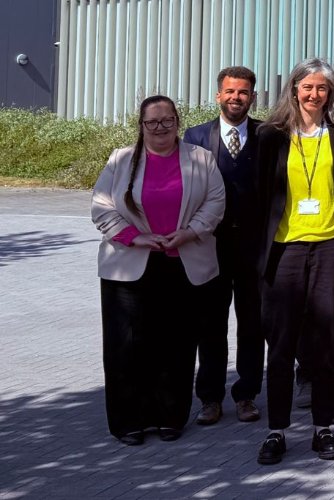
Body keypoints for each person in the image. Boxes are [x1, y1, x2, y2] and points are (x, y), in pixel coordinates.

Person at [94, 96, 226, 445]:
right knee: (126, 346)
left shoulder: (201, 159)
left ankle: (170, 416)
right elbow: (102, 207)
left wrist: (191, 231)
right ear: (141, 125)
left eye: (167, 120)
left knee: (177, 344)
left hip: (183, 261)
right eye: (152, 122)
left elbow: (216, 202)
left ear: (177, 121)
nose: (160, 127)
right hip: (130, 265)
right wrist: (135, 237)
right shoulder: (120, 160)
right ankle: (129, 422)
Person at [251, 58, 334, 465]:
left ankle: (322, 428)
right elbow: (260, 196)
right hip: (285, 249)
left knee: (325, 343)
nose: (314, 94)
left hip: (330, 247)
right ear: (294, 89)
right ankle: (277, 430)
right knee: (281, 344)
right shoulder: (270, 135)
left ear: (330, 92)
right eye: (308, 87)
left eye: (322, 87)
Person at [183, 66, 263, 426]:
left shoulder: (268, 135)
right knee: (210, 325)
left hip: (254, 249)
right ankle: (210, 398)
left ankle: (247, 395)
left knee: (252, 325)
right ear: (218, 95)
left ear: (253, 97)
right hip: (210, 247)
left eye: (243, 92)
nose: (236, 98)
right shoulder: (196, 137)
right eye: (230, 91)